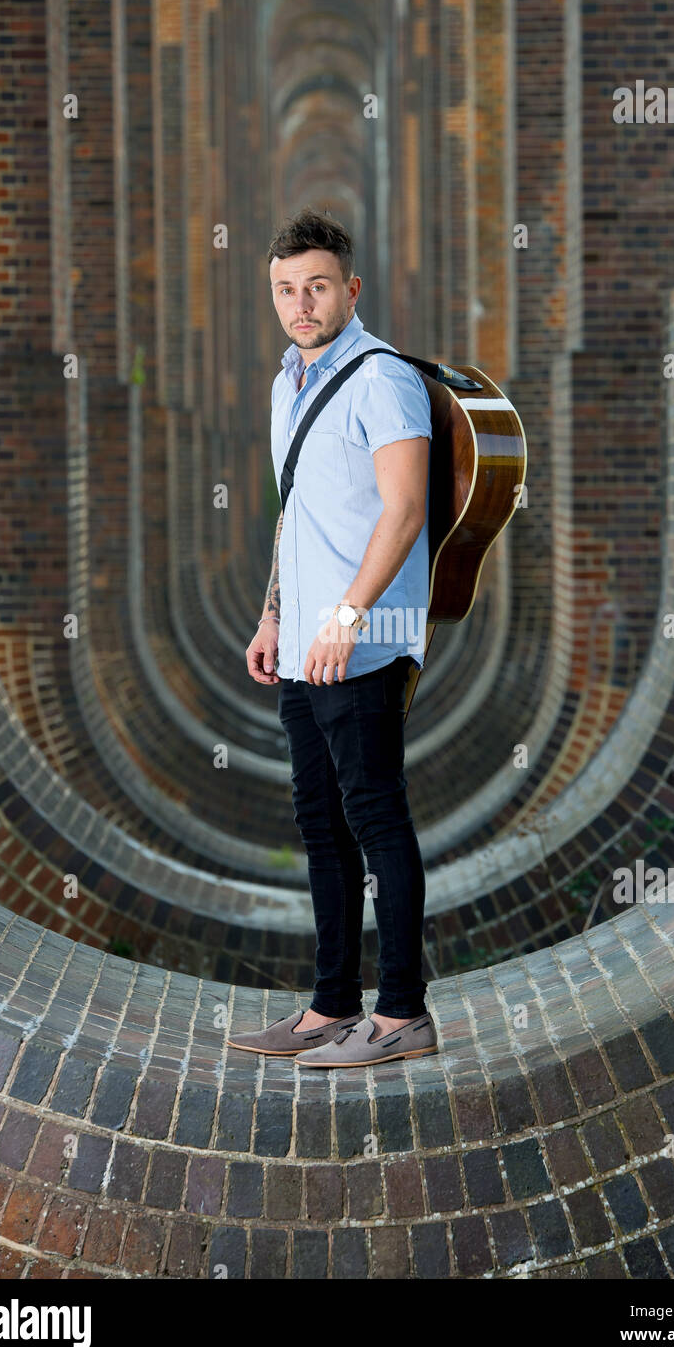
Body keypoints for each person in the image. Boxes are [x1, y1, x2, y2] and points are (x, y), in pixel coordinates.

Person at [226, 207, 438, 1067]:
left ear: (349, 288)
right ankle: (328, 1006)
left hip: (366, 637)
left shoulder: (382, 380)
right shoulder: (288, 384)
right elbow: (295, 515)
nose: (300, 302)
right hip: (306, 637)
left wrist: (347, 618)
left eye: (316, 286)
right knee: (319, 822)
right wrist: (274, 612)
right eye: (284, 289)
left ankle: (401, 1015)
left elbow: (406, 509)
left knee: (375, 815)